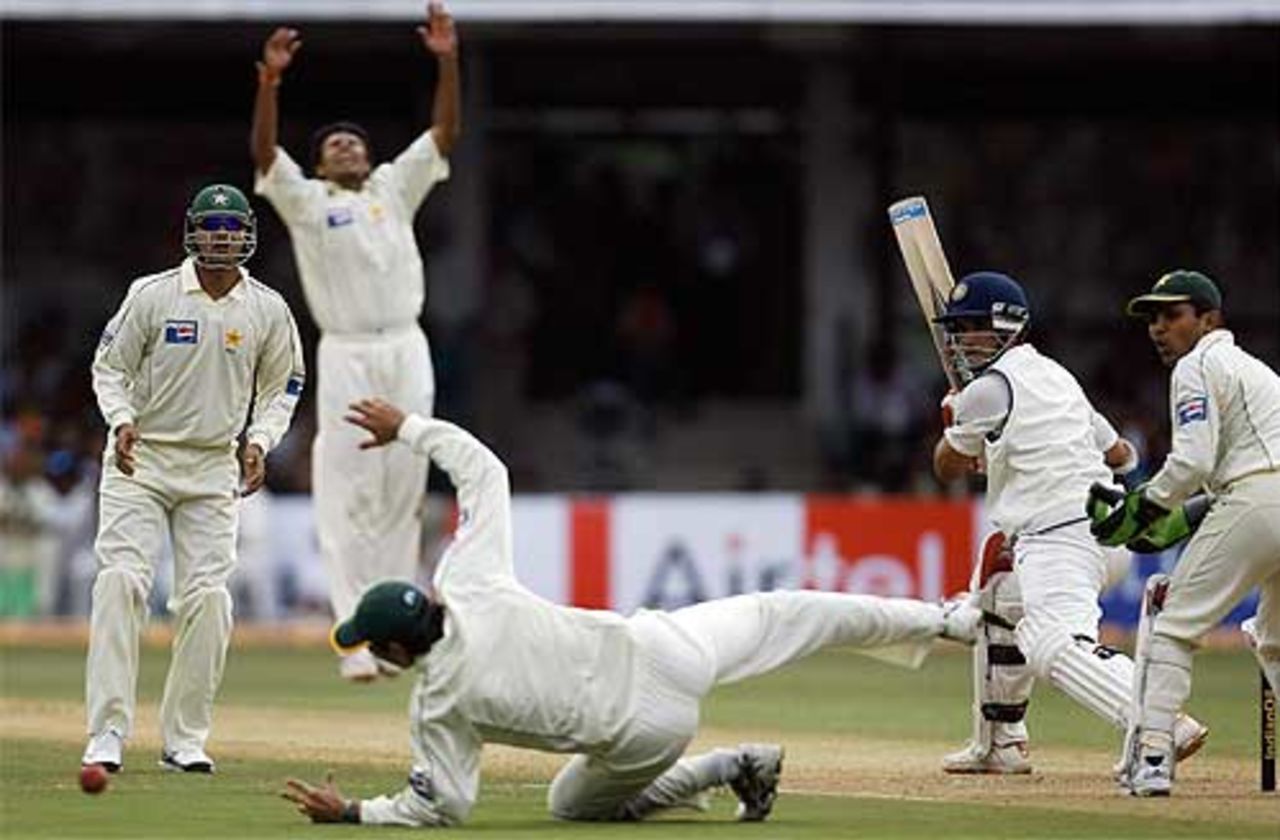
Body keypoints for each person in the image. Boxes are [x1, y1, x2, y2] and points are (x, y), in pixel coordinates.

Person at [279, 398, 982, 826]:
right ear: (427, 599)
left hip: (647, 730)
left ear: (396, 653)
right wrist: (410, 427)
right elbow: (486, 472)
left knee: (570, 805)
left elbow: (445, 806)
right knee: (792, 612)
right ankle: (946, 620)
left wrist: (355, 812)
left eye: (375, 647)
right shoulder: (467, 582)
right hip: (663, 646)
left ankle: (733, 765)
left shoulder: (439, 705)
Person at [250, 1, 461, 681]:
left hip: (405, 346)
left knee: (402, 489)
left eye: (354, 142)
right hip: (344, 352)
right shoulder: (309, 203)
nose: (346, 147)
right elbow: (265, 155)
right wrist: (270, 84)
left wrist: (447, 61)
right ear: (317, 167)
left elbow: (444, 134)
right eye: (333, 145)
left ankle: (394, 635)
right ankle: (355, 640)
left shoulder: (393, 188)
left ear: (370, 156)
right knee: (345, 492)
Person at [929, 271, 1207, 775]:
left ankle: (1159, 722)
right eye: (958, 330)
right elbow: (1120, 454)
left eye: (970, 328)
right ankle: (1000, 743)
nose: (961, 342)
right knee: (999, 592)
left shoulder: (985, 392)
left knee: (1049, 641)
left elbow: (945, 467)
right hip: (1105, 530)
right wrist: (1001, 447)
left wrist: (956, 421)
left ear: (1005, 326)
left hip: (1057, 537)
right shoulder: (1057, 377)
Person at [81, 184, 305, 774]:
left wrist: (259, 441)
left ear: (247, 234)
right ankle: (106, 732)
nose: (222, 236)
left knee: (208, 599)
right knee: (121, 583)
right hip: (142, 459)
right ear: (192, 231)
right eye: (212, 226)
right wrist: (122, 421)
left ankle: (183, 740)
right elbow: (109, 367)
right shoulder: (152, 294)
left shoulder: (267, 308)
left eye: (232, 227)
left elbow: (283, 386)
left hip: (213, 466)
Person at [1093, 270, 1280, 796]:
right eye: (1153, 317)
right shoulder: (1257, 370)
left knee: (1173, 627)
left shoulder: (1195, 365)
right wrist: (1186, 513)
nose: (1159, 327)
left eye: (1172, 315)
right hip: (1259, 497)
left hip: (1255, 499)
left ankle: (1153, 757)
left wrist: (1144, 506)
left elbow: (1194, 460)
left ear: (1209, 319)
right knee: (1274, 642)